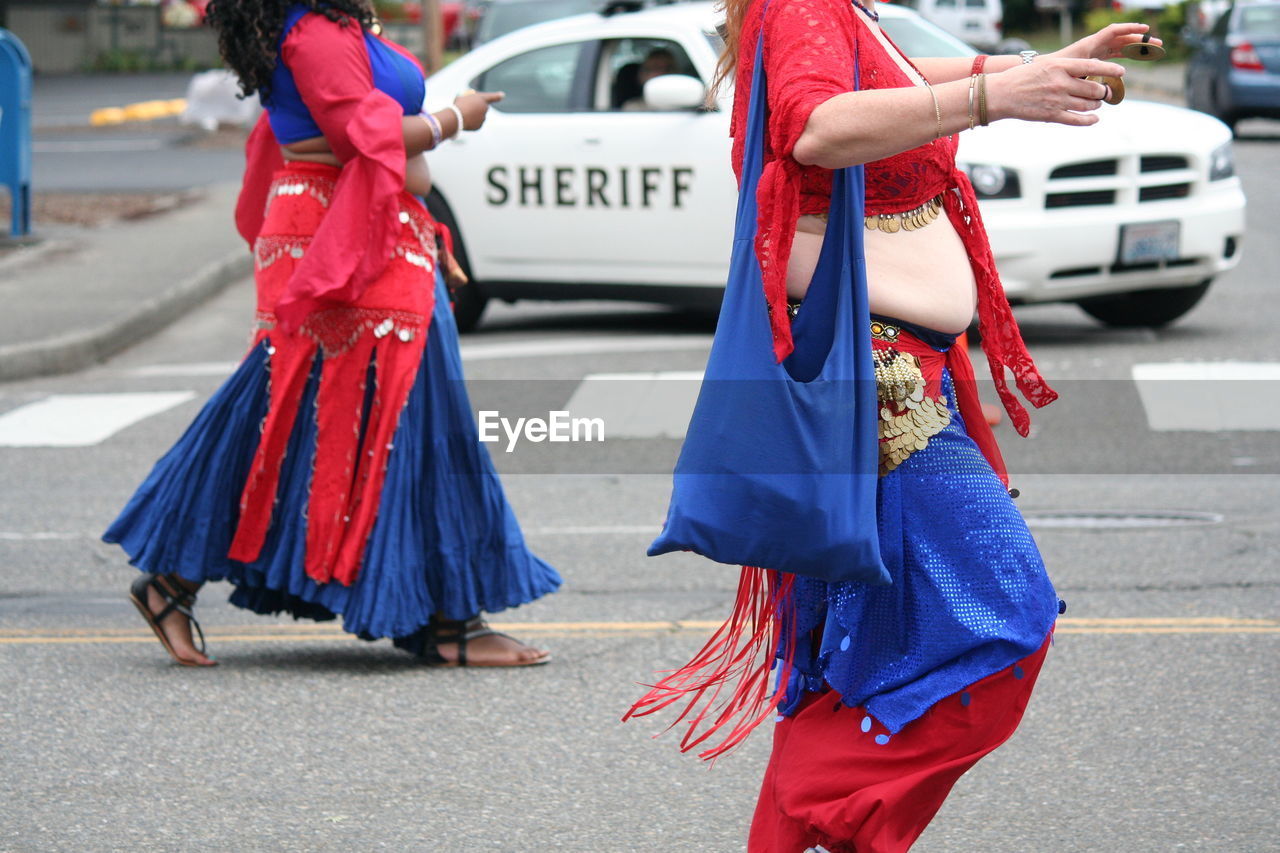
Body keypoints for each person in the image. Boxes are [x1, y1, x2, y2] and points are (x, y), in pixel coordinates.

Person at [628, 1, 1157, 849]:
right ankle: (819, 802)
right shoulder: (804, 2)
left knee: (858, 648)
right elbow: (818, 126)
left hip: (901, 362)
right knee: (1008, 614)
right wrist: (992, 100)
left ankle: (801, 829)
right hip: (879, 383)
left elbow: (892, 85)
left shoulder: (845, 10)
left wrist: (1027, 70)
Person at [105, 0, 561, 669]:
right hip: (338, 233)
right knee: (399, 408)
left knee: (304, 413)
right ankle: (446, 621)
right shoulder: (314, 32)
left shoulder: (334, 23)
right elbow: (358, 134)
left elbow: (348, 131)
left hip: (369, 222)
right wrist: (451, 119)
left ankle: (175, 581)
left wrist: (383, 137)